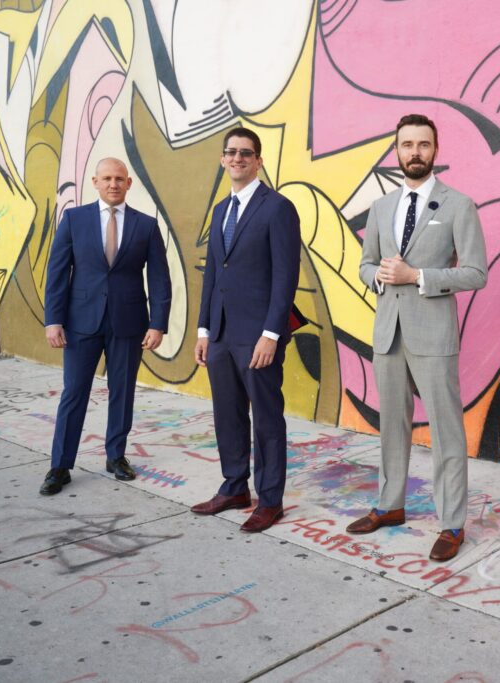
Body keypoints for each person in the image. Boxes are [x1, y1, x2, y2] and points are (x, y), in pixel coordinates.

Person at [347, 114, 488, 562]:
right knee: (392, 426)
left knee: (446, 432)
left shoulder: (458, 205)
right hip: (388, 333)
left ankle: (452, 523)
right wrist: (379, 277)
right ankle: (390, 506)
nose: (414, 152)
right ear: (396, 149)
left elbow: (475, 273)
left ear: (435, 150)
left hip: (433, 333)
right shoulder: (383, 206)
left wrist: (418, 276)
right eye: (406, 144)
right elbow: (366, 264)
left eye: (423, 145)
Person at [190, 128, 303, 533]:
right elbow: (212, 275)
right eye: (231, 152)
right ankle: (235, 486)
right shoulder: (221, 209)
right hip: (220, 333)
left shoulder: (278, 208)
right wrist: (203, 328)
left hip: (257, 336)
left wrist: (271, 334)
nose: (238, 158)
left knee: (267, 419)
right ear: (223, 159)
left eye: (246, 153)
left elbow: (285, 277)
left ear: (258, 160)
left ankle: (270, 499)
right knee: (227, 414)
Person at [41, 158, 171, 495]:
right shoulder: (74, 219)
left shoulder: (146, 225)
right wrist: (53, 319)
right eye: (107, 178)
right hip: (80, 322)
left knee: (122, 391)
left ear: (129, 184)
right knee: (74, 393)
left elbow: (159, 279)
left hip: (128, 323)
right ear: (96, 182)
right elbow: (57, 272)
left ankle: (116, 456)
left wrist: (158, 324)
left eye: (119, 179)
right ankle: (60, 465)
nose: (113, 184)